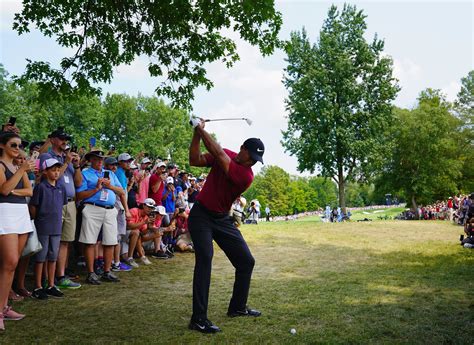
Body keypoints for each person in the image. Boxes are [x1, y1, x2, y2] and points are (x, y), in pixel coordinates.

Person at [187, 117, 264, 333]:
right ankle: (198, 319)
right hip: (201, 215)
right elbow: (194, 159)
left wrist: (200, 129)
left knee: (246, 262)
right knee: (205, 260)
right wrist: (196, 134)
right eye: (253, 156)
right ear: (243, 149)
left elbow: (219, 155)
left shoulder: (246, 176)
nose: (253, 162)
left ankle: (238, 307)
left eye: (257, 159)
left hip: (221, 219)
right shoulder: (229, 154)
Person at [38, 128, 83, 289]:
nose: (65, 142)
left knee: (65, 241)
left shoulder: (68, 158)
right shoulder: (47, 157)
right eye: (62, 138)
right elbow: (53, 178)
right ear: (53, 140)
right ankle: (44, 279)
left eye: (67, 139)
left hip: (70, 202)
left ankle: (60, 276)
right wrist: (66, 163)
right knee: (49, 241)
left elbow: (78, 183)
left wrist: (76, 166)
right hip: (52, 202)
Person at [0, 132, 35, 330]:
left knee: (14, 263)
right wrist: (21, 170)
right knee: (9, 261)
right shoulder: (2, 165)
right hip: (5, 213)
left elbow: (29, 191)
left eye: (19, 145)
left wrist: (15, 184)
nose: (17, 148)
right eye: (13, 144)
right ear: (2, 145)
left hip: (21, 212)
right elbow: (3, 190)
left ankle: (4, 307)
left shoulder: (16, 167)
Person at [76, 149, 125, 285]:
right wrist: (96, 189)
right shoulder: (85, 174)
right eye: (96, 159)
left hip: (110, 209)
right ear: (91, 160)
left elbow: (121, 191)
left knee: (110, 241)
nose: (99, 162)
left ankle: (107, 271)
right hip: (92, 207)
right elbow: (79, 195)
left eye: (101, 159)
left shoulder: (109, 174)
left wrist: (110, 186)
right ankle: (91, 273)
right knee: (90, 241)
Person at [29, 158, 68, 299]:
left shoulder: (61, 188)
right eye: (53, 170)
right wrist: (38, 219)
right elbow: (33, 206)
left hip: (56, 227)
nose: (56, 173)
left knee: (53, 256)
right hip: (43, 226)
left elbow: (62, 205)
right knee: (41, 257)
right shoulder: (40, 187)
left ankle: (51, 284)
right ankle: (38, 286)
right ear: (45, 171)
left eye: (58, 170)